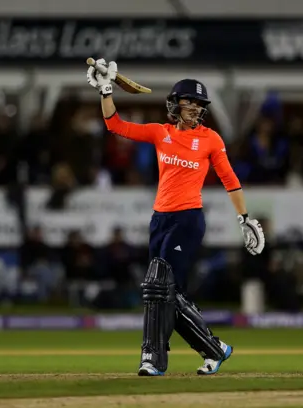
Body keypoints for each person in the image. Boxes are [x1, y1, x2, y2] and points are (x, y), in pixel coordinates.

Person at [87, 59, 266, 376]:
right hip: (160, 221)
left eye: (200, 104)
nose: (196, 108)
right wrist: (105, 90)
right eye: (190, 102)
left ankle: (152, 358)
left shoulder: (210, 139)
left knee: (157, 285)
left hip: (188, 220)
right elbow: (116, 125)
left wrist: (245, 218)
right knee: (170, 295)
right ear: (175, 104)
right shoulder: (161, 133)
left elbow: (229, 178)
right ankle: (215, 349)